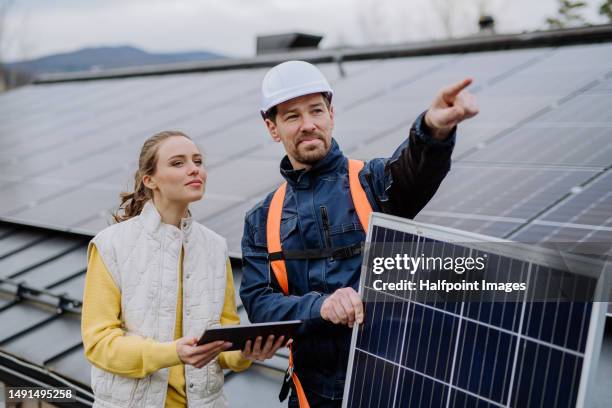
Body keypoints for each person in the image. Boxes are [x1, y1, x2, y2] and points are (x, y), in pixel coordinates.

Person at [239, 61, 479, 407]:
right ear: (272, 127)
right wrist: (321, 306)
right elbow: (260, 305)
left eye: (316, 111)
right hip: (313, 394)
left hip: (390, 385)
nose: (308, 125)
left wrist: (432, 130)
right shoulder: (262, 219)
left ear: (331, 114)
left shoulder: (373, 183)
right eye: (292, 116)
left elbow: (415, 168)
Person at [81, 130, 286, 408]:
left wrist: (246, 353)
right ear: (149, 179)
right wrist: (172, 352)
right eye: (178, 163)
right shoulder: (110, 246)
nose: (194, 170)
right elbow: (99, 344)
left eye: (198, 161)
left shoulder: (215, 246)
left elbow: (222, 339)